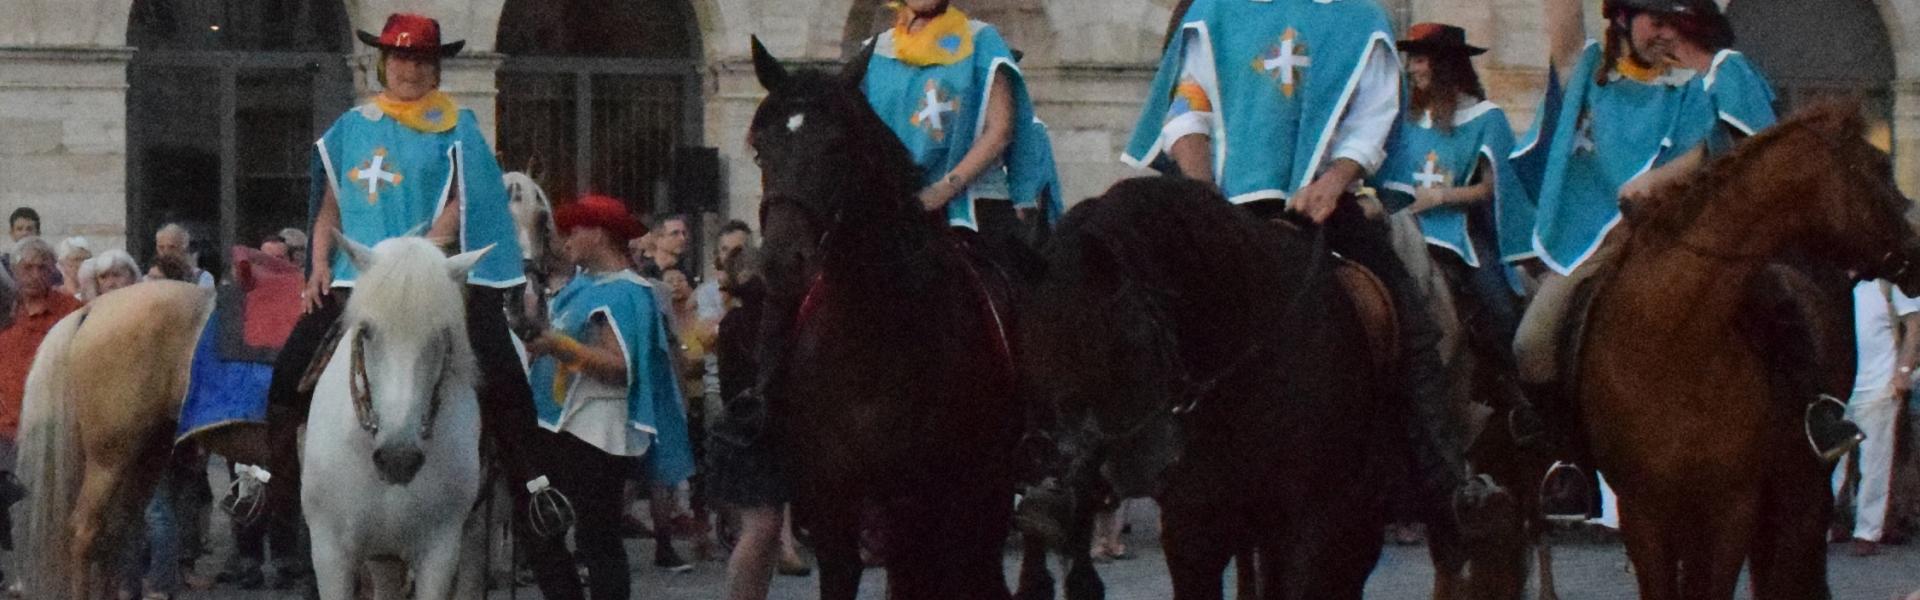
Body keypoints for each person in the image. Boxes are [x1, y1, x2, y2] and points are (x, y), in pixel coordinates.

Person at [1123, 0, 1471, 525]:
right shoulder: (1217, 12)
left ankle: (1443, 481)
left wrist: (1332, 182)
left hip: (1324, 205)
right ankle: (1082, 475)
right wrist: (1200, 192)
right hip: (1221, 205)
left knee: (1410, 322)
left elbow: (1373, 116)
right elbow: (1189, 105)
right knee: (1132, 306)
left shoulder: (1361, 19)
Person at [261, 12, 567, 539]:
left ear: (436, 68)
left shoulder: (457, 127)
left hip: (437, 276)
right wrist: (315, 267)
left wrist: (417, 261)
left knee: (501, 367)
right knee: (289, 370)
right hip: (358, 280)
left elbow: (460, 203)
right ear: (384, 61)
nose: (409, 68)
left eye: (421, 59)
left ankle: (534, 488)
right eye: (400, 57)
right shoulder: (350, 128)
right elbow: (330, 210)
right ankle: (274, 483)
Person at [524, 195, 695, 600]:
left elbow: (620, 368)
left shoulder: (627, 292)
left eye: (575, 230)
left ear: (598, 234)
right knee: (545, 527)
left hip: (596, 428)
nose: (567, 238)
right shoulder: (583, 286)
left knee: (595, 537)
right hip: (562, 424)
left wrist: (557, 346)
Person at [857, 0, 1059, 245]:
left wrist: (943, 189)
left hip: (974, 203)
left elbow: (1000, 130)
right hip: (895, 208)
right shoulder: (874, 51)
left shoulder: (981, 41)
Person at [711, 246, 810, 600]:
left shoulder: (738, 321)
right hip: (753, 431)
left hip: (748, 429)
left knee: (762, 534)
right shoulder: (754, 321)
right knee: (760, 530)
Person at [1831, 280, 1919, 557]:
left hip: (1878, 386)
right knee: (1833, 460)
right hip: (1839, 387)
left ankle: (1868, 531)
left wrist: (1903, 370)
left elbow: (1915, 326)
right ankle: (1829, 521)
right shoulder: (1837, 282)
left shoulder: (1888, 285)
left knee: (1875, 461)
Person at [152, 224, 215, 288]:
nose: (166, 253)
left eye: (172, 247)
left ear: (184, 248)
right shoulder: (149, 278)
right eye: (161, 247)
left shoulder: (203, 278)